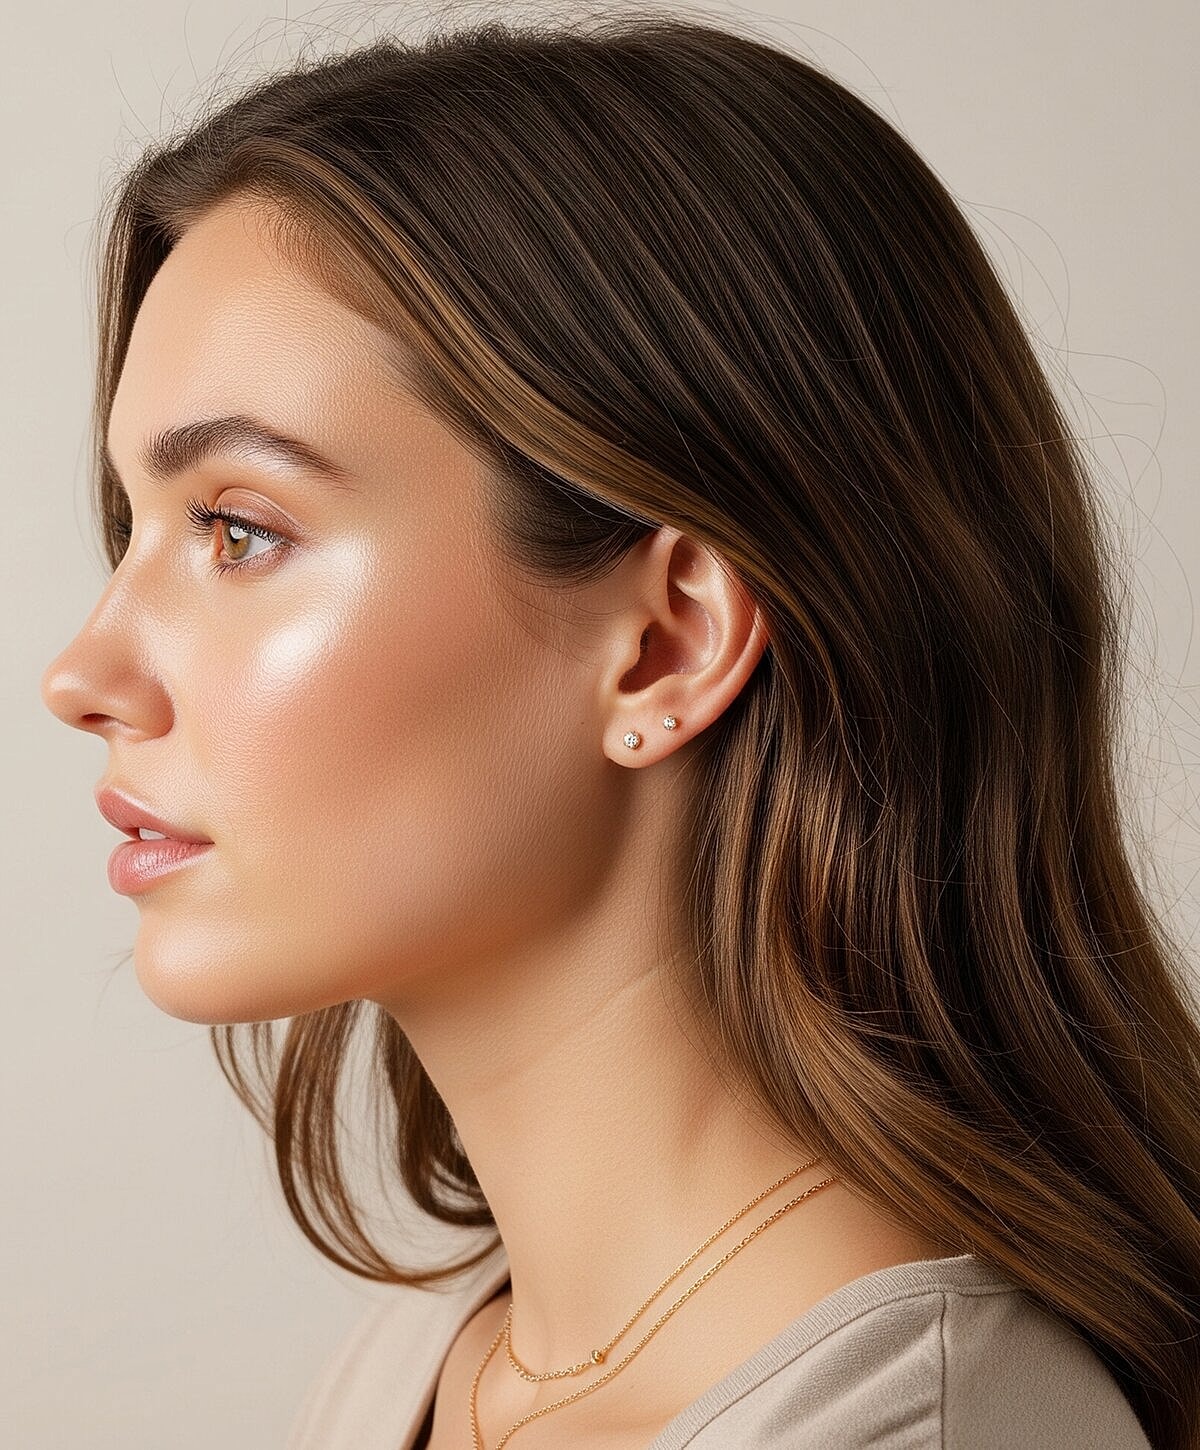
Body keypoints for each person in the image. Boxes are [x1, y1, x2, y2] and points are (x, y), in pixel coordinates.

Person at [39, 8, 1199, 1449]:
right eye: (133, 526)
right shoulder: (423, 1371)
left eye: (238, 529)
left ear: (667, 642)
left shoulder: (932, 1428)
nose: (83, 673)